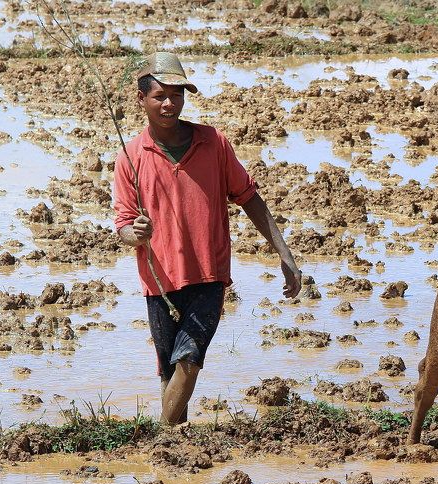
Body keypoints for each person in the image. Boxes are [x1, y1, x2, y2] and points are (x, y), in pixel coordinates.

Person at [113, 52, 302, 425]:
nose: (169, 104)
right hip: (159, 279)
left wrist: (285, 255)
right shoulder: (131, 157)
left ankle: (158, 437)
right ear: (142, 99)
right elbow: (123, 224)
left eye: (177, 95)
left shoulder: (213, 142)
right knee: (169, 369)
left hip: (208, 274)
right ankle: (173, 447)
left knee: (189, 359)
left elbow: (249, 197)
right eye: (160, 96)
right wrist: (135, 233)